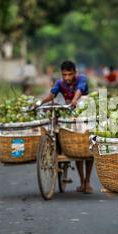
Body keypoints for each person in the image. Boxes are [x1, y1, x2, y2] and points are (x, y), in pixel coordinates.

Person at [35, 60, 94, 194]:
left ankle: (88, 182)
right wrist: (41, 102)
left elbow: (80, 90)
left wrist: (75, 100)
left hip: (84, 116)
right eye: (64, 75)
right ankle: (82, 181)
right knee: (75, 149)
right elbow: (52, 94)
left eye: (69, 74)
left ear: (75, 73)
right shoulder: (59, 83)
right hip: (69, 114)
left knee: (87, 150)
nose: (67, 78)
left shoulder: (81, 79)